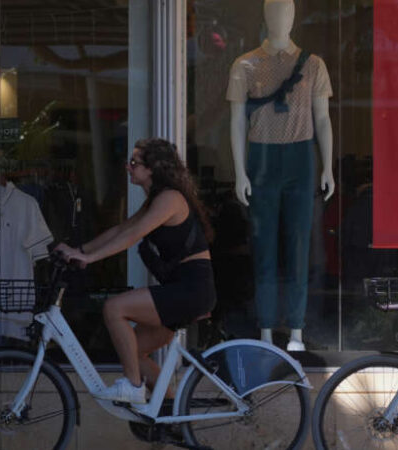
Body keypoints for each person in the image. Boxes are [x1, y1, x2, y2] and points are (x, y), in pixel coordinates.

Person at [56, 138, 216, 404]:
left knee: (113, 308)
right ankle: (173, 414)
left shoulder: (170, 199)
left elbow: (132, 235)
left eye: (134, 162)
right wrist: (79, 250)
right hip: (181, 289)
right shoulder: (156, 199)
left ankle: (133, 386)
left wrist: (90, 257)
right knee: (134, 352)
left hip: (191, 289)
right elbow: (121, 229)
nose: (127, 167)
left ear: (152, 168)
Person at [227, 0, 334, 351]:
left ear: (294, 17)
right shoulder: (245, 65)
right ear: (264, 16)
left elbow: (322, 118)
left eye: (286, 12)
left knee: (299, 246)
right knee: (264, 248)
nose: (280, 18)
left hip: (301, 158)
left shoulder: (314, 64)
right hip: (262, 157)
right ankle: (266, 329)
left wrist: (328, 166)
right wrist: (240, 172)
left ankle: (297, 330)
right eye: (274, 12)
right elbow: (237, 121)